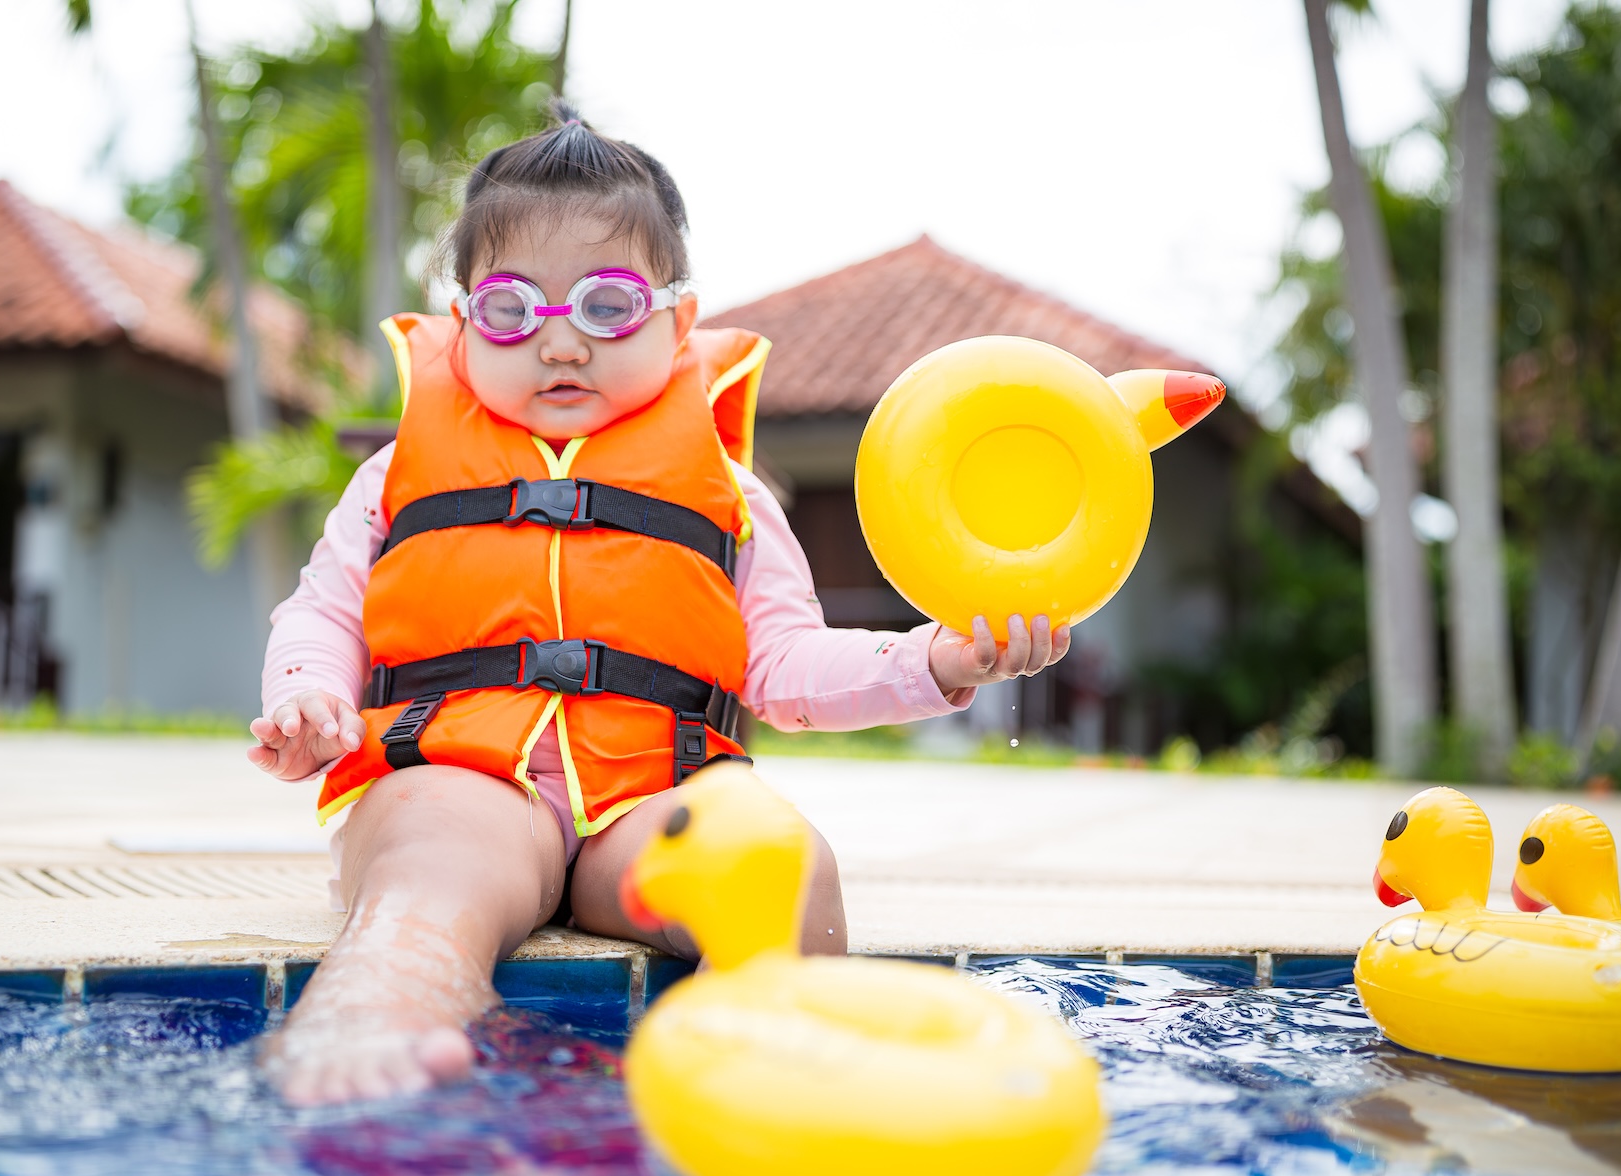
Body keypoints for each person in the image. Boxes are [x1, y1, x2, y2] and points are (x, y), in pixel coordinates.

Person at [249, 108, 1070, 1104]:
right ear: (462, 326)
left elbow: (782, 666)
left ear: (678, 324)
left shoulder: (726, 491)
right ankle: (378, 1007)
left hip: (648, 798)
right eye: (513, 310)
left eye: (606, 306)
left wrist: (934, 659)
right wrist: (307, 695)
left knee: (779, 863)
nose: (558, 344)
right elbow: (323, 611)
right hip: (460, 772)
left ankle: (781, 1086)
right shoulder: (395, 473)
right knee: (435, 870)